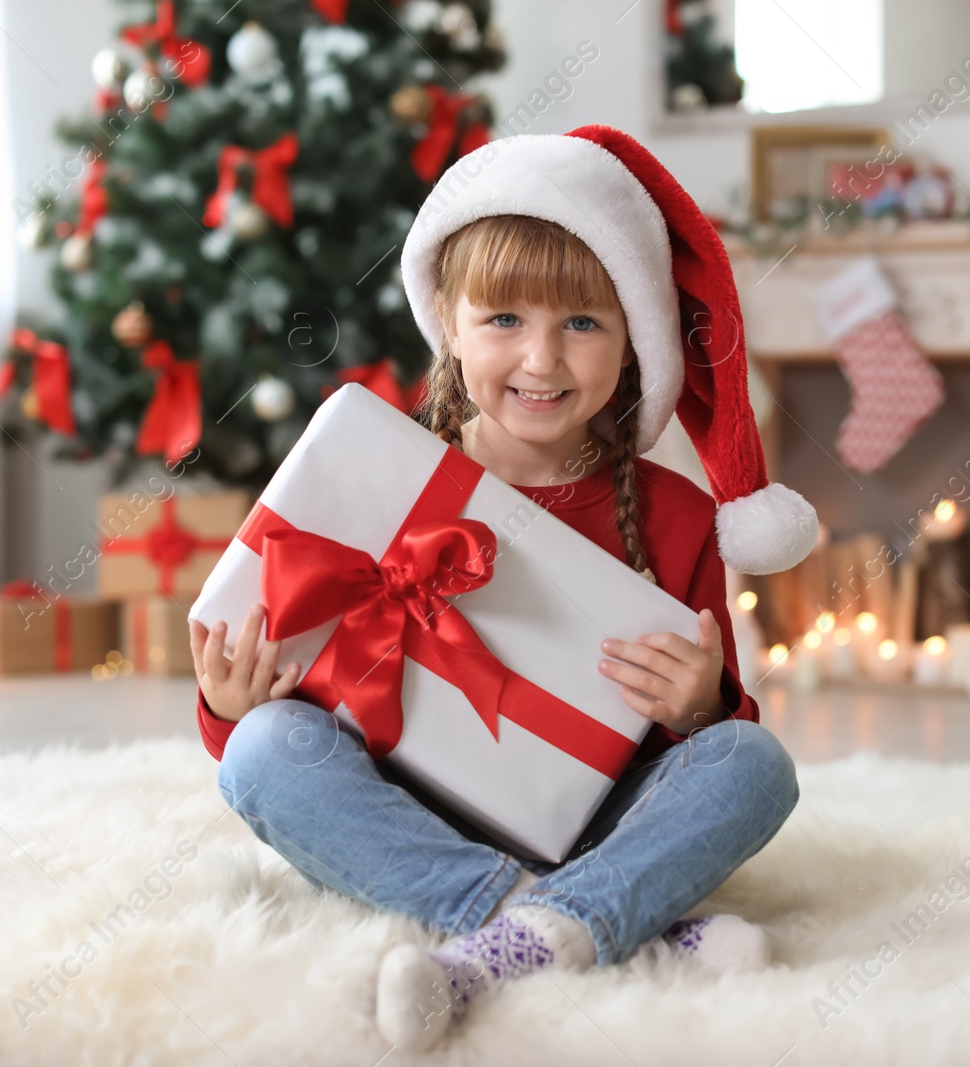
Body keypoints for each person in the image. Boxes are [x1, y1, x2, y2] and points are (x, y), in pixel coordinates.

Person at [188, 126, 819, 1051]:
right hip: (413, 811)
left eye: (582, 323)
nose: (542, 360)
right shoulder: (378, 470)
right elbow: (274, 690)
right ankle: (581, 925)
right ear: (449, 320)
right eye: (505, 320)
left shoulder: (678, 514)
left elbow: (711, 731)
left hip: (597, 815)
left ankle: (514, 935)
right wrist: (226, 702)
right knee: (261, 755)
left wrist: (700, 707)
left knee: (753, 768)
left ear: (634, 338)